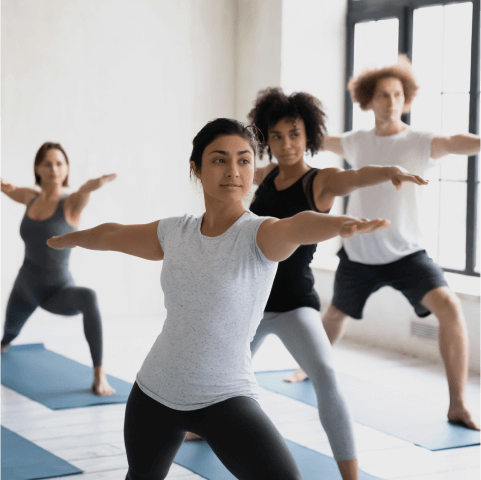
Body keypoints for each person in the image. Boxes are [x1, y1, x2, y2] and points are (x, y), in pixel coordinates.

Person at [47, 118, 389, 480]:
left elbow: (298, 225)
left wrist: (337, 225)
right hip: (154, 393)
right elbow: (112, 234)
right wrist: (68, 238)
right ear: (196, 168)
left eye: (244, 160)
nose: (233, 171)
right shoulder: (175, 232)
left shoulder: (260, 234)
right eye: (219, 159)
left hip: (224, 397)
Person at [292, 55, 481, 431]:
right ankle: (305, 369)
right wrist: (286, 122)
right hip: (359, 251)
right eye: (382, 94)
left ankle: (458, 404)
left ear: (406, 98)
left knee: (449, 308)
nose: (391, 101)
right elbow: (315, 139)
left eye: (397, 94)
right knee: (334, 316)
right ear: (368, 100)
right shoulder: (356, 141)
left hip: (407, 253)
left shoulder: (420, 141)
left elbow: (456, 142)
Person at [0, 142, 117, 396]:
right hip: (25, 287)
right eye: (48, 163)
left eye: (59, 163)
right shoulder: (30, 197)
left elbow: (84, 191)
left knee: (89, 297)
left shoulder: (71, 204)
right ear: (37, 169)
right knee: (7, 336)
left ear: (66, 170)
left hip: (58, 291)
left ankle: (99, 374)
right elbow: (6, 187)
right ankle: (5, 341)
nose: (54, 168)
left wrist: (91, 185)